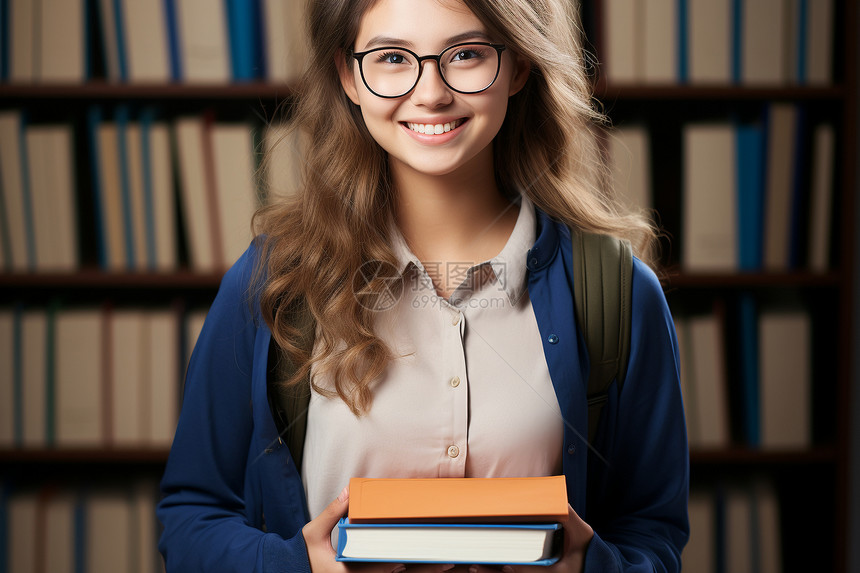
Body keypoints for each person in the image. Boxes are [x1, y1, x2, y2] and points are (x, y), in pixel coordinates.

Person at [156, 0, 689, 571]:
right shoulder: (275, 282)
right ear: (347, 76)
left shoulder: (617, 292)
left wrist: (593, 567)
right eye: (391, 57)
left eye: (466, 54)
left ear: (520, 67)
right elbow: (192, 514)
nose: (430, 93)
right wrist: (293, 566)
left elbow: (652, 532)